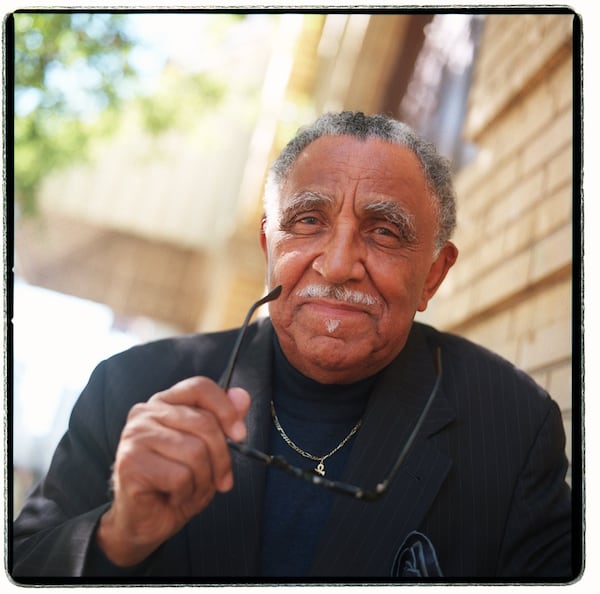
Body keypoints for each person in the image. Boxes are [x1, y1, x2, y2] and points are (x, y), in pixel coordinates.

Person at [12, 111, 573, 581]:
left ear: (433, 275)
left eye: (384, 231)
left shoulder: (514, 425)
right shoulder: (130, 387)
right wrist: (117, 535)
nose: (337, 264)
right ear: (268, 247)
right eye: (308, 221)